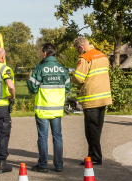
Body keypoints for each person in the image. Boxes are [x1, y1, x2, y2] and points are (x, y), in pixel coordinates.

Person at [27, 43, 70, 173]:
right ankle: (58, 165)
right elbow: (67, 88)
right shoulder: (62, 69)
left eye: (41, 52)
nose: (40, 54)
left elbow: (32, 88)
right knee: (57, 137)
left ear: (45, 53)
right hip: (56, 109)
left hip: (43, 109)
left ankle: (43, 164)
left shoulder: (40, 68)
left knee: (43, 137)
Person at [71, 37, 112, 165]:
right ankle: (92, 154)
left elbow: (79, 78)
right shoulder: (102, 55)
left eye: (77, 50)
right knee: (97, 128)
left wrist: (71, 76)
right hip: (103, 97)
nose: (78, 53)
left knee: (91, 129)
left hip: (91, 98)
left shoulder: (85, 58)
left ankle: (95, 157)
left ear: (81, 47)